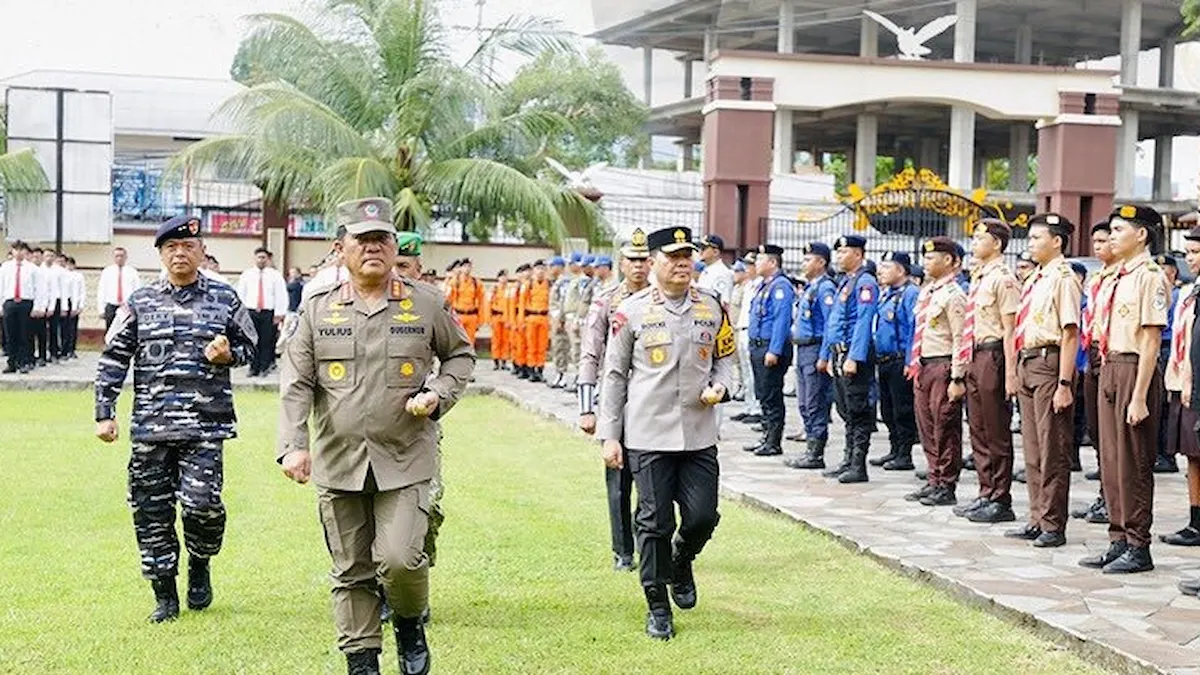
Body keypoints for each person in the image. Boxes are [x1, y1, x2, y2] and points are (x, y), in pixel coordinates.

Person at [278, 198, 474, 675]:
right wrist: (293, 445)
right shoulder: (317, 308)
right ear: (340, 248)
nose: (373, 248)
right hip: (339, 458)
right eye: (362, 240)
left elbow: (460, 356)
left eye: (382, 239)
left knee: (401, 558)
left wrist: (437, 394)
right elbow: (297, 381)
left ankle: (408, 621)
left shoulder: (426, 302)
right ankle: (361, 660)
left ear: (393, 246)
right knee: (351, 570)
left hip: (405, 456)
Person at [94, 214, 258, 622]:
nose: (180, 253)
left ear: (202, 252)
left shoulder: (225, 299)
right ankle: (164, 594)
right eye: (171, 247)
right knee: (151, 511)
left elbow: (253, 346)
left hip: (205, 426)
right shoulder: (140, 302)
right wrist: (104, 412)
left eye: (188, 246)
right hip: (151, 428)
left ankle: (200, 562)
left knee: (203, 506)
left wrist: (230, 355)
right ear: (161, 254)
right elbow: (113, 357)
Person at [596, 226, 736, 641]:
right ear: (653, 261)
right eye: (673, 257)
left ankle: (682, 559)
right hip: (647, 434)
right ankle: (657, 604)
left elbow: (726, 358)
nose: (682, 263)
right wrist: (610, 435)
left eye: (687, 256)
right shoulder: (631, 311)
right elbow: (614, 375)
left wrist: (721, 386)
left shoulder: (711, 306)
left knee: (703, 516)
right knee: (654, 523)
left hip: (698, 434)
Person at [1083, 204, 1168, 574]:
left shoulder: (1149, 276)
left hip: (1134, 370)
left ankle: (1138, 545)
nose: (1112, 236)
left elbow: (1151, 341)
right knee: (1111, 460)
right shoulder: (1114, 276)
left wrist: (1139, 397)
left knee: (1133, 462)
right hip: (1110, 365)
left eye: (1119, 230)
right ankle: (1117, 538)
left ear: (1141, 235)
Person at [1006, 213, 1081, 549]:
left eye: (1038, 238)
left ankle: (1053, 523)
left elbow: (1070, 333)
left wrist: (1064, 383)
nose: (1031, 243)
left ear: (1057, 241)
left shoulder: (1063, 277)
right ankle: (1036, 517)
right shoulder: (1036, 277)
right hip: (1029, 361)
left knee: (1053, 448)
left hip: (1050, 363)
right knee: (1033, 448)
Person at [578, 229, 651, 572]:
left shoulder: (659, 299)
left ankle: (648, 541)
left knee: (653, 478)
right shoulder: (607, 300)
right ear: (621, 264)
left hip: (651, 399)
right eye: (632, 260)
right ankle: (623, 550)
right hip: (616, 400)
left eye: (644, 260)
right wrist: (586, 408)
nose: (638, 266)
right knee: (618, 480)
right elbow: (590, 353)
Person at [955, 220, 1021, 523]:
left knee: (996, 430)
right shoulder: (979, 277)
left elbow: (1011, 330)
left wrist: (1011, 372)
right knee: (978, 428)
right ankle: (986, 491)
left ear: (996, 243)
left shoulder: (1003, 279)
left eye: (980, 238)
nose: (974, 243)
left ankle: (1000, 498)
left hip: (994, 355)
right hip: (976, 353)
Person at [905, 238, 968, 507]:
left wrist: (957, 376)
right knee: (927, 426)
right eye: (926, 258)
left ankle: (946, 483)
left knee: (945, 426)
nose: (926, 263)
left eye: (932, 258)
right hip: (924, 364)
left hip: (943, 366)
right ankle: (934, 478)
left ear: (949, 261)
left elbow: (960, 338)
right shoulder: (928, 292)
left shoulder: (954, 295)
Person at [819, 235, 879, 483]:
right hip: (840, 352)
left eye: (844, 252)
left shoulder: (865, 283)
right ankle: (847, 459)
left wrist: (854, 357)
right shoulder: (846, 281)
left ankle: (858, 465)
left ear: (858, 254)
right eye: (839, 252)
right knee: (845, 409)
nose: (839, 256)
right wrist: (828, 354)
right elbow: (833, 321)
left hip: (854, 355)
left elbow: (864, 322)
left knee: (858, 410)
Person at [1073, 221, 1118, 524]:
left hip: (1112, 356)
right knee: (1097, 431)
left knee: (1113, 436)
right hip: (1092, 356)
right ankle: (1104, 494)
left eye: (1105, 240)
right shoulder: (1097, 278)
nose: (1100, 246)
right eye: (1097, 242)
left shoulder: (1126, 277)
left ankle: (1114, 500)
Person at [1161, 226, 1200, 548]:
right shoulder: (1189, 291)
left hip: (1195, 384)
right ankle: (1195, 520)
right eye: (1188, 253)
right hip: (1182, 382)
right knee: (1192, 454)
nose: (1191, 259)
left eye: (1197, 252)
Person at [785, 242, 837, 470]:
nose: (803, 264)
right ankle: (810, 448)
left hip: (815, 349)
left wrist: (825, 356)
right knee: (805, 402)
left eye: (808, 260)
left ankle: (816, 453)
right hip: (803, 349)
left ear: (821, 262)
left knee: (815, 402)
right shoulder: (811, 287)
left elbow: (830, 325)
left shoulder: (825, 289)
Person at [868, 251, 919, 472]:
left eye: (887, 267)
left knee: (902, 409)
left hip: (900, 360)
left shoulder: (910, 293)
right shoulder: (886, 294)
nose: (881, 271)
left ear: (900, 270)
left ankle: (904, 454)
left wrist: (910, 361)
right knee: (887, 409)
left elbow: (913, 329)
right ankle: (894, 448)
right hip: (884, 359)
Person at [743, 244, 795, 458]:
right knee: (763, 393)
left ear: (772, 262)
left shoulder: (781, 286)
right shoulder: (765, 285)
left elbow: (781, 321)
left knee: (771, 394)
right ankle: (766, 436)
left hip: (769, 347)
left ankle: (773, 440)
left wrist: (774, 350)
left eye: (760, 260)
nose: (756, 263)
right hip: (758, 345)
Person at [236, 248, 288, 377]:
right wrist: (241, 313)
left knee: (267, 341)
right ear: (254, 258)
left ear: (268, 259)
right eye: (259, 257)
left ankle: (265, 367)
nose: (261, 260)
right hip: (251, 312)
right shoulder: (247, 275)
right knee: (252, 340)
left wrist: (279, 313)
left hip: (268, 313)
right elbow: (241, 294)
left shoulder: (275, 275)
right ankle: (253, 367)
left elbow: (281, 295)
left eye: (263, 257)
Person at [1155, 254, 1183, 474]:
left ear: (1173, 273)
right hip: (1156, 349)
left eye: (1165, 271)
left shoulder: (1177, 295)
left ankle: (1166, 455)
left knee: (1165, 405)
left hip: (1167, 348)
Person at [732, 251, 763, 424]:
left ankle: (757, 408)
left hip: (751, 331)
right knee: (745, 371)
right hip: (742, 329)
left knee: (753, 372)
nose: (747, 269)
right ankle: (749, 405)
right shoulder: (749, 285)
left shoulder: (760, 285)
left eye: (750, 265)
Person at [0, 241, 36, 373]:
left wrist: (38, 306)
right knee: (10, 334)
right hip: (10, 302)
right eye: (16, 249)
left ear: (25, 252)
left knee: (24, 334)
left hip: (25, 302)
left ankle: (24, 362)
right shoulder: (5, 267)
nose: (18, 252)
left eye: (21, 249)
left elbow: (38, 288)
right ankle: (12, 362)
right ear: (12, 251)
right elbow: (1, 286)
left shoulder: (32, 268)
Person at [520, 260, 552, 382]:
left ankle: (540, 370)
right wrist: (521, 321)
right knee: (531, 345)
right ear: (534, 270)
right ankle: (532, 370)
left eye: (543, 269)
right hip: (531, 318)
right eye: (538, 269)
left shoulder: (549, 284)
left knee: (542, 346)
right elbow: (522, 304)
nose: (540, 271)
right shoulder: (528, 285)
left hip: (544, 318)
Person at [97, 246, 143, 331]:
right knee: (110, 332)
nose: (119, 258)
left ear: (126, 257)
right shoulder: (107, 271)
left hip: (127, 307)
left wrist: (137, 308)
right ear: (113, 257)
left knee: (126, 330)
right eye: (117, 256)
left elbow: (137, 290)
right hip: (111, 306)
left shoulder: (132, 272)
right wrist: (101, 309)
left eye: (121, 256)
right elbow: (101, 291)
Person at [447, 257, 487, 346]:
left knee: (470, 342)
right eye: (465, 266)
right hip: (458, 315)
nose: (467, 269)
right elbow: (448, 301)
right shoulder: (454, 282)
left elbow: (481, 302)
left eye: (469, 266)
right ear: (461, 268)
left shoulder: (476, 283)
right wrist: (449, 318)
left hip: (471, 316)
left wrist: (480, 320)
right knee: (457, 341)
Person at [548, 256, 572, 387]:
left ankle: (562, 374)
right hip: (555, 319)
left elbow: (563, 302)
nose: (550, 269)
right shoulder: (557, 281)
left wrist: (560, 319)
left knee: (561, 347)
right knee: (556, 347)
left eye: (552, 266)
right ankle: (559, 372)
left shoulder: (564, 282)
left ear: (559, 267)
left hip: (560, 320)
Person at [697, 235, 734, 306]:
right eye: (700, 248)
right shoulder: (707, 270)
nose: (700, 251)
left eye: (703, 249)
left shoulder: (722, 273)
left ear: (715, 252)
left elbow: (723, 303)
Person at [488, 268, 511, 370]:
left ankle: (504, 361)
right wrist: (489, 319)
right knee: (496, 340)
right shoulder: (494, 289)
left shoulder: (509, 290)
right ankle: (496, 361)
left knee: (506, 340)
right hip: (496, 316)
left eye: (506, 276)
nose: (504, 279)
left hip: (506, 317)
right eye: (502, 276)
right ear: (498, 278)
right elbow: (488, 304)